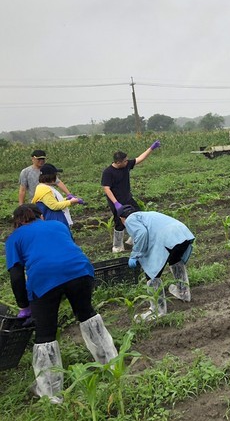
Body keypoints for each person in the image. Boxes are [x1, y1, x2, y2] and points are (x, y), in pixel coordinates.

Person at [5, 204, 118, 403]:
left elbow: (16, 277)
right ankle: (111, 363)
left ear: (17, 222)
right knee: (87, 315)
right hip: (80, 270)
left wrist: (24, 306)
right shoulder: (57, 225)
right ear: (40, 216)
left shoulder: (14, 238)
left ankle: (50, 391)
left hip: (44, 279)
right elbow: (66, 250)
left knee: (45, 333)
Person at [118, 205, 195, 321]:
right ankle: (183, 292)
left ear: (121, 218)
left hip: (167, 237)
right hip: (182, 234)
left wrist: (135, 255)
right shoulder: (146, 215)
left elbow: (142, 234)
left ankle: (157, 311)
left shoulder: (130, 219)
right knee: (175, 260)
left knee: (152, 273)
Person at [101, 140, 161, 253]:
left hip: (128, 198)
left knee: (138, 216)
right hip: (116, 201)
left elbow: (140, 158)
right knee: (119, 223)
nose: (127, 162)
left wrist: (151, 148)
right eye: (124, 161)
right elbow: (106, 188)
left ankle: (132, 240)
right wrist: (116, 203)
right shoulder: (108, 172)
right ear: (118, 162)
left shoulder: (126, 165)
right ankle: (117, 246)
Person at [31, 163, 84, 230]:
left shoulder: (45, 187)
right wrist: (71, 202)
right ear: (50, 176)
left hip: (56, 221)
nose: (56, 177)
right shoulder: (44, 189)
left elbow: (51, 201)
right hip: (54, 222)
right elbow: (54, 206)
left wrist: (66, 199)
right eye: (55, 175)